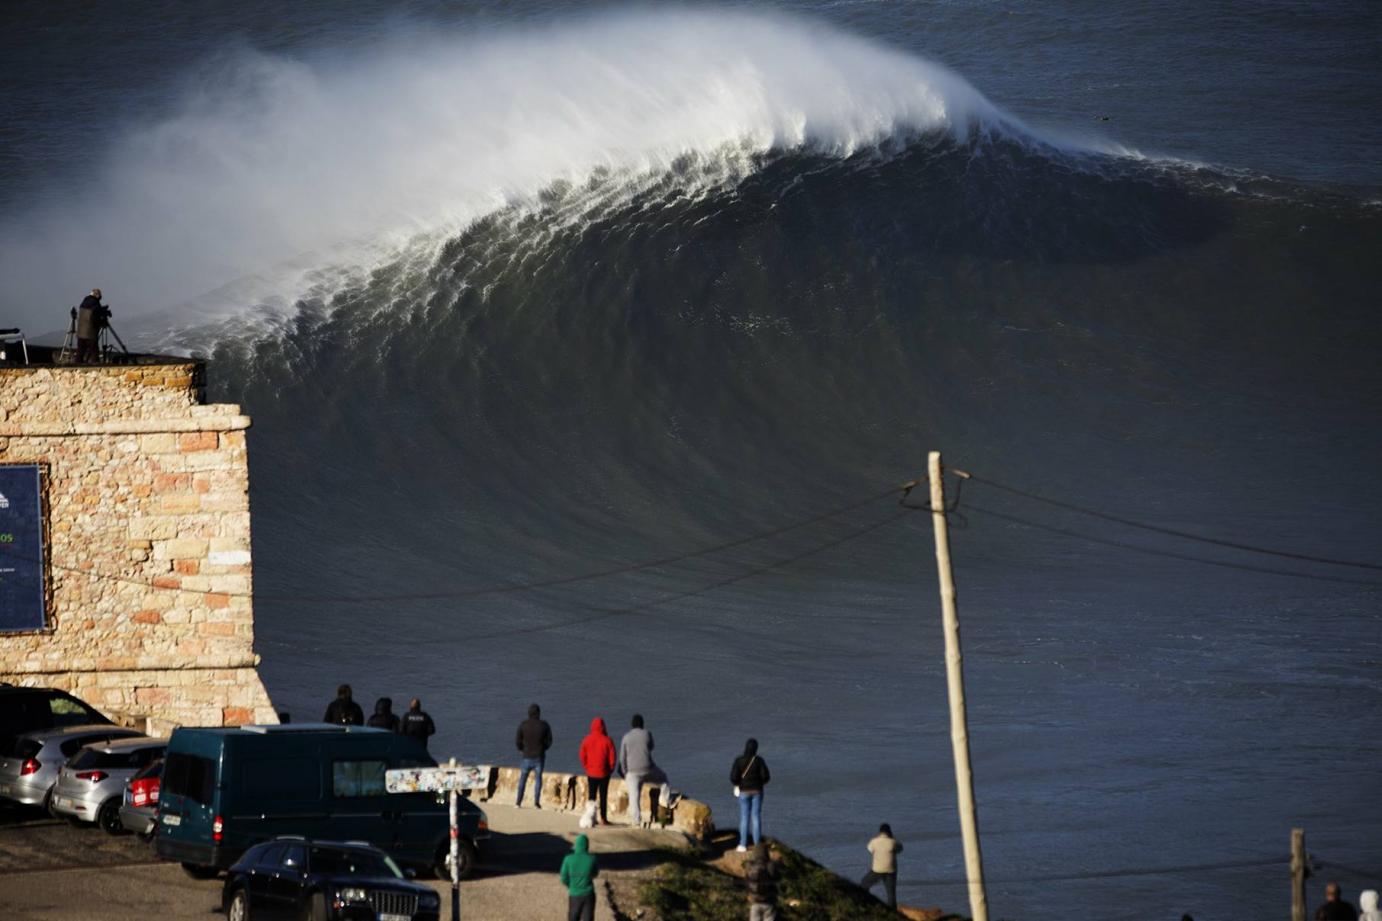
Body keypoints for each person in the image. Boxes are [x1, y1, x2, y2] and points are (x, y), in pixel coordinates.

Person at [619, 713, 669, 827]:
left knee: (634, 797)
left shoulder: (626, 737)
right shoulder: (647, 733)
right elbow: (651, 747)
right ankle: (666, 801)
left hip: (632, 772)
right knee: (664, 779)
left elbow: (622, 758)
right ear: (642, 724)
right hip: (648, 769)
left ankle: (637, 821)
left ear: (632, 725)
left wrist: (625, 772)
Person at [730, 738, 770, 852]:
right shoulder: (759, 761)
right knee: (756, 817)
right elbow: (766, 777)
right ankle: (757, 845)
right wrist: (759, 784)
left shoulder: (739, 760)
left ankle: (743, 845)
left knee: (744, 817)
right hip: (757, 791)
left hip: (743, 792)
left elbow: (733, 777)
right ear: (756, 749)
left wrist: (738, 784)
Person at [578, 717, 616, 826]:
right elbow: (612, 758)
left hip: (591, 772)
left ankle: (592, 818)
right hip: (604, 773)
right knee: (603, 796)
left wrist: (586, 767)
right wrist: (610, 769)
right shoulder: (608, 740)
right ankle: (603, 818)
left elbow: (582, 756)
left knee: (592, 796)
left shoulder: (586, 740)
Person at [515, 703, 552, 808]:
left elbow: (518, 740)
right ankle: (536, 802)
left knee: (523, 779)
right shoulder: (544, 725)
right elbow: (549, 740)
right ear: (538, 713)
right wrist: (543, 748)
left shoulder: (523, 725)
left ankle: (518, 802)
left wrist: (521, 749)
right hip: (539, 756)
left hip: (526, 756)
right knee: (538, 780)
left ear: (529, 713)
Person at [860, 823, 903, 908]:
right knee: (891, 894)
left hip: (877, 870)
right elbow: (900, 849)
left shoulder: (874, 841)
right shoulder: (893, 842)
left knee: (864, 884)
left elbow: (869, 849)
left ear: (880, 832)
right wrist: (893, 838)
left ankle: (865, 903)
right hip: (891, 870)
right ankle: (892, 911)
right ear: (889, 832)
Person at [559, 833, 599, 921]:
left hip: (574, 893)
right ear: (587, 845)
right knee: (588, 918)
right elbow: (595, 873)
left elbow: (563, 878)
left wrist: (571, 885)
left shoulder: (568, 859)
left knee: (573, 917)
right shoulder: (592, 859)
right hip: (588, 893)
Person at [743, 842, 780, 921]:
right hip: (769, 900)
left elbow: (746, 882)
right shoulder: (770, 865)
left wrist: (748, 894)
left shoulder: (749, 866)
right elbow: (777, 878)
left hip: (754, 901)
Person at [75, 288, 107, 364]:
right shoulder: (96, 303)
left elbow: (90, 312)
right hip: (90, 332)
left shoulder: (84, 302)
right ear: (97, 295)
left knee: (80, 350)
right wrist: (102, 320)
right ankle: (95, 364)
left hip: (80, 332)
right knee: (94, 350)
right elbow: (95, 317)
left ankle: (77, 365)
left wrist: (101, 310)